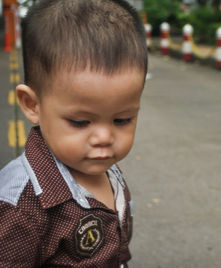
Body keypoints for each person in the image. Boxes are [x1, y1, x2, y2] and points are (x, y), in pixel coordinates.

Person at [0, 0, 147, 266]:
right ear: (32, 105)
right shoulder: (19, 207)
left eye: (122, 119)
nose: (104, 138)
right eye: (80, 122)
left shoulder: (105, 169)